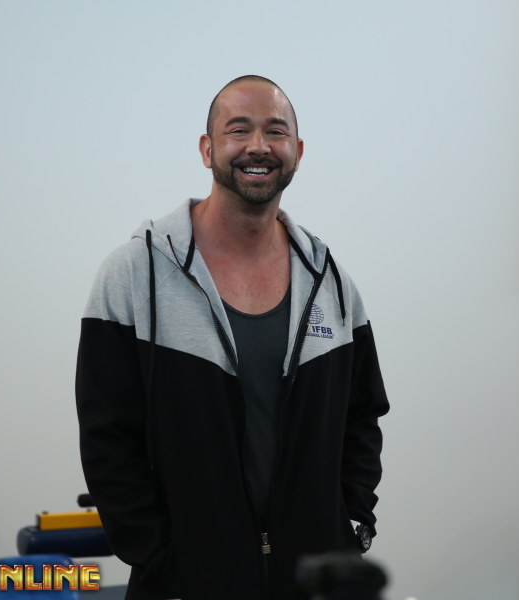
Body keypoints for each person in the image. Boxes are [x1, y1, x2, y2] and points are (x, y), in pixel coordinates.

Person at [75, 75, 389, 600]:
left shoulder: (329, 281)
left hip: (310, 583)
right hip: (182, 585)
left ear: (297, 151)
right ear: (208, 149)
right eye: (238, 130)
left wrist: (349, 523)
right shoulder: (134, 274)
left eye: (276, 131)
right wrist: (162, 560)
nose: (258, 146)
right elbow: (107, 438)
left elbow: (363, 416)